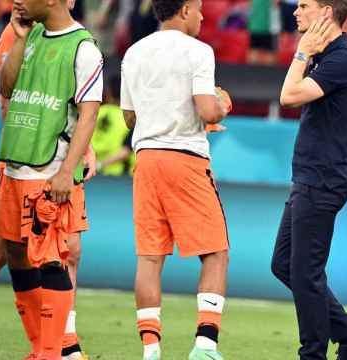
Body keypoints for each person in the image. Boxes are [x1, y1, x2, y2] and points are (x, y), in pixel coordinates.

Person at [120, 0, 232, 359]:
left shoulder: (133, 53)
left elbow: (128, 117)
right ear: (184, 10)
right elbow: (207, 108)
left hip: (146, 160)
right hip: (185, 158)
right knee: (215, 252)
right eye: (199, 9)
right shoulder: (199, 51)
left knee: (150, 258)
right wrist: (221, 105)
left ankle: (151, 350)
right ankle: (205, 345)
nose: (202, 16)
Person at [0, 0, 103, 357]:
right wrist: (22, 40)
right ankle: (41, 347)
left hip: (48, 170)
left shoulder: (83, 48)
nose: (18, 0)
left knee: (52, 259)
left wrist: (65, 172)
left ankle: (53, 351)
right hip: (15, 163)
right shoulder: (26, 35)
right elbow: (7, 88)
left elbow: (88, 116)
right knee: (15, 254)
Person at [271, 1, 347, 359]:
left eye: (304, 5)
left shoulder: (340, 59)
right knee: (285, 265)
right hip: (311, 176)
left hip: (322, 179)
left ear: (327, 12)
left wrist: (301, 53)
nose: (296, 12)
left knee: (305, 273)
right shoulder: (326, 55)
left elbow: (287, 97)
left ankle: (313, 354)